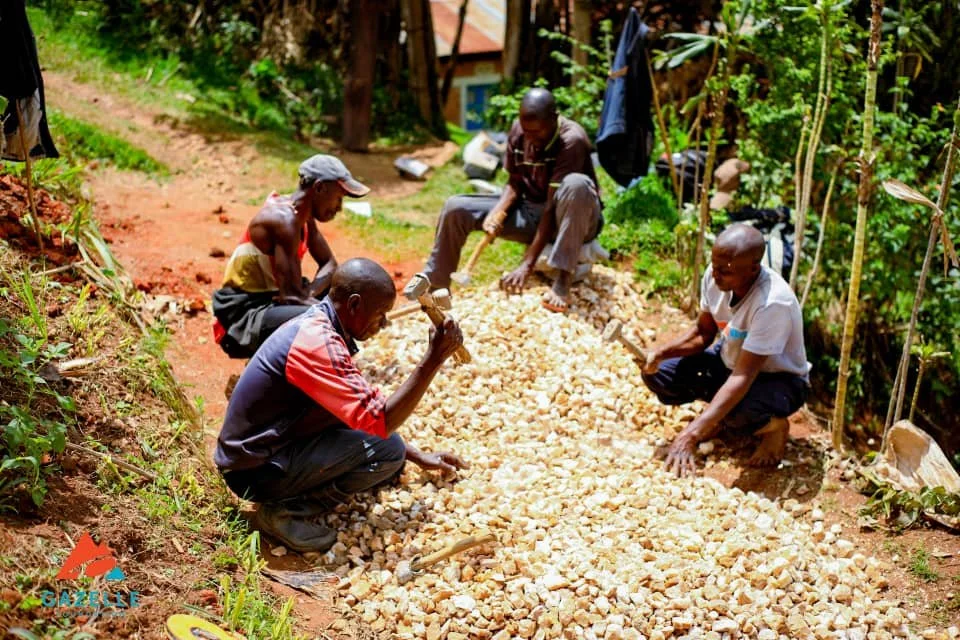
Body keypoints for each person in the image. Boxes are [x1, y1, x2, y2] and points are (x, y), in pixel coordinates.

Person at [214, 258, 468, 552]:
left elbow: (352, 411)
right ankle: (286, 512)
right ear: (355, 304)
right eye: (380, 314)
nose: (384, 323)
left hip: (265, 452)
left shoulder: (322, 325)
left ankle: (296, 492)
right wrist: (433, 359)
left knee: (392, 449)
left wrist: (416, 455)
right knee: (388, 450)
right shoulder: (318, 343)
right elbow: (381, 420)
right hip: (253, 471)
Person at [640, 224, 810, 477]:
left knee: (737, 412)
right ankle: (718, 417)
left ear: (753, 268)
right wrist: (661, 353)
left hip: (778, 379)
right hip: (729, 360)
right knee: (658, 373)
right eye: (714, 265)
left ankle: (774, 427)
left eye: (725, 271)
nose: (715, 274)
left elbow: (743, 376)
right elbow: (703, 333)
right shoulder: (715, 276)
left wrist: (690, 434)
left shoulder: (773, 302)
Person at [423, 87, 603, 312]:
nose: (531, 139)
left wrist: (526, 265)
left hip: (575, 219)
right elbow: (514, 182)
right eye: (527, 132)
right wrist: (498, 211)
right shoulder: (520, 131)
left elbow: (551, 208)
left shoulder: (571, 140)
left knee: (577, 185)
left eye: (537, 132)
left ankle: (563, 281)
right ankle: (436, 287)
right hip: (533, 213)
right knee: (456, 207)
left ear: (554, 119)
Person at [212, 154, 369, 359]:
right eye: (339, 198)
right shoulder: (283, 221)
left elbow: (330, 264)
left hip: (275, 301)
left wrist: (310, 293)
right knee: (323, 319)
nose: (339, 208)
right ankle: (282, 370)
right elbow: (291, 297)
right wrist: (342, 318)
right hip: (243, 317)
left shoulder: (303, 215)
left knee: (342, 291)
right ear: (319, 188)